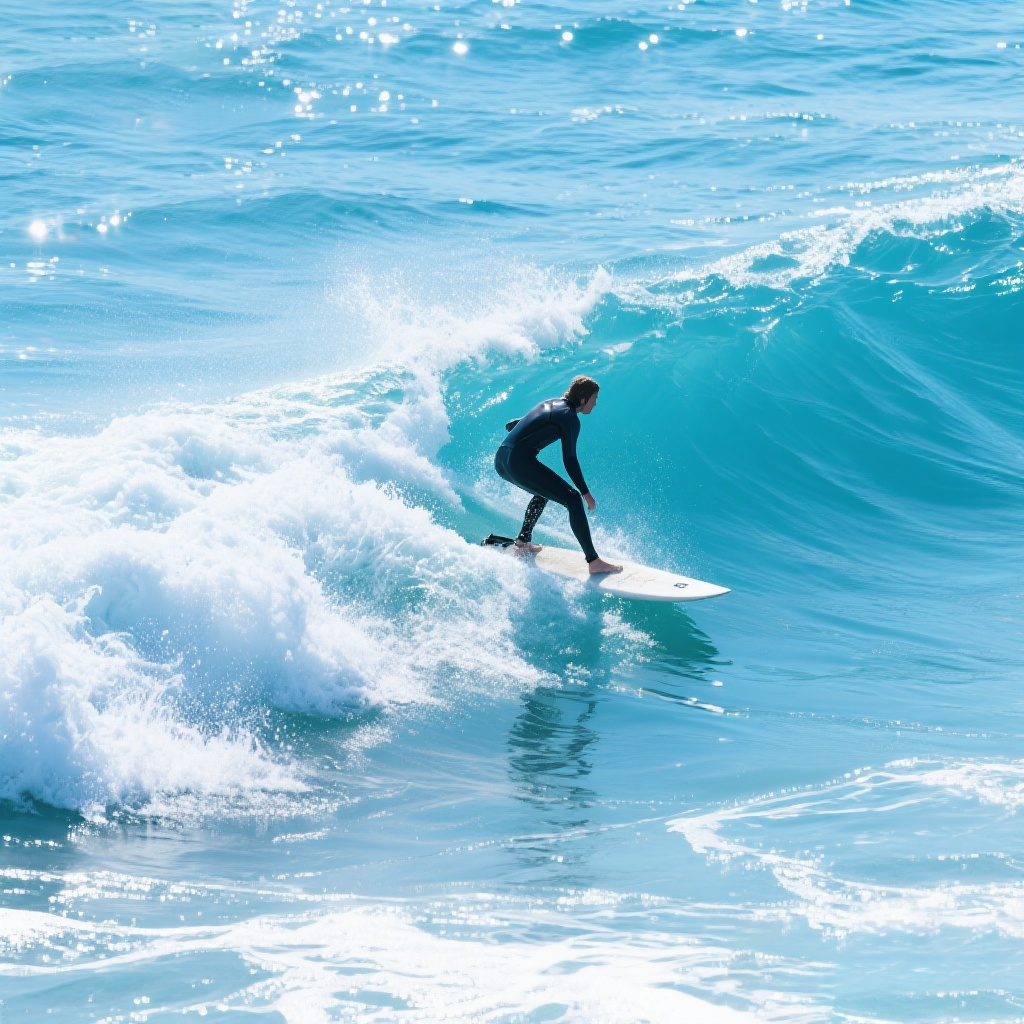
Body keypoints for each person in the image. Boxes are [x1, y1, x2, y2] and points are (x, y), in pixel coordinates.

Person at [495, 375, 622, 575]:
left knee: (543, 491)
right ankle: (594, 561)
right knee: (573, 498)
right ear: (583, 399)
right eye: (594, 399)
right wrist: (585, 493)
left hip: (501, 460)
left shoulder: (550, 403)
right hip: (519, 462)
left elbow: (512, 425)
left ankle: (523, 541)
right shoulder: (570, 418)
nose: (595, 404)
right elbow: (569, 459)